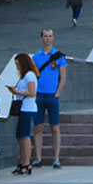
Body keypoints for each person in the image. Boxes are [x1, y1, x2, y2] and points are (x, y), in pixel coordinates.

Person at [31, 28, 67, 170]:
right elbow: (32, 75)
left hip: (52, 95)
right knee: (38, 127)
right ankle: (38, 158)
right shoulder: (36, 57)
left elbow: (63, 77)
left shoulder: (59, 56)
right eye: (45, 36)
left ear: (53, 38)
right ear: (41, 38)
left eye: (50, 36)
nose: (47, 39)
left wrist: (57, 93)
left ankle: (56, 158)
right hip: (39, 94)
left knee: (55, 127)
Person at [7, 52, 37, 175]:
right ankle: (22, 161)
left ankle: (26, 162)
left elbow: (32, 92)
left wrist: (17, 91)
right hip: (23, 109)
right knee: (20, 136)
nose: (17, 67)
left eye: (18, 64)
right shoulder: (24, 76)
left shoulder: (30, 75)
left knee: (25, 136)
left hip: (28, 108)